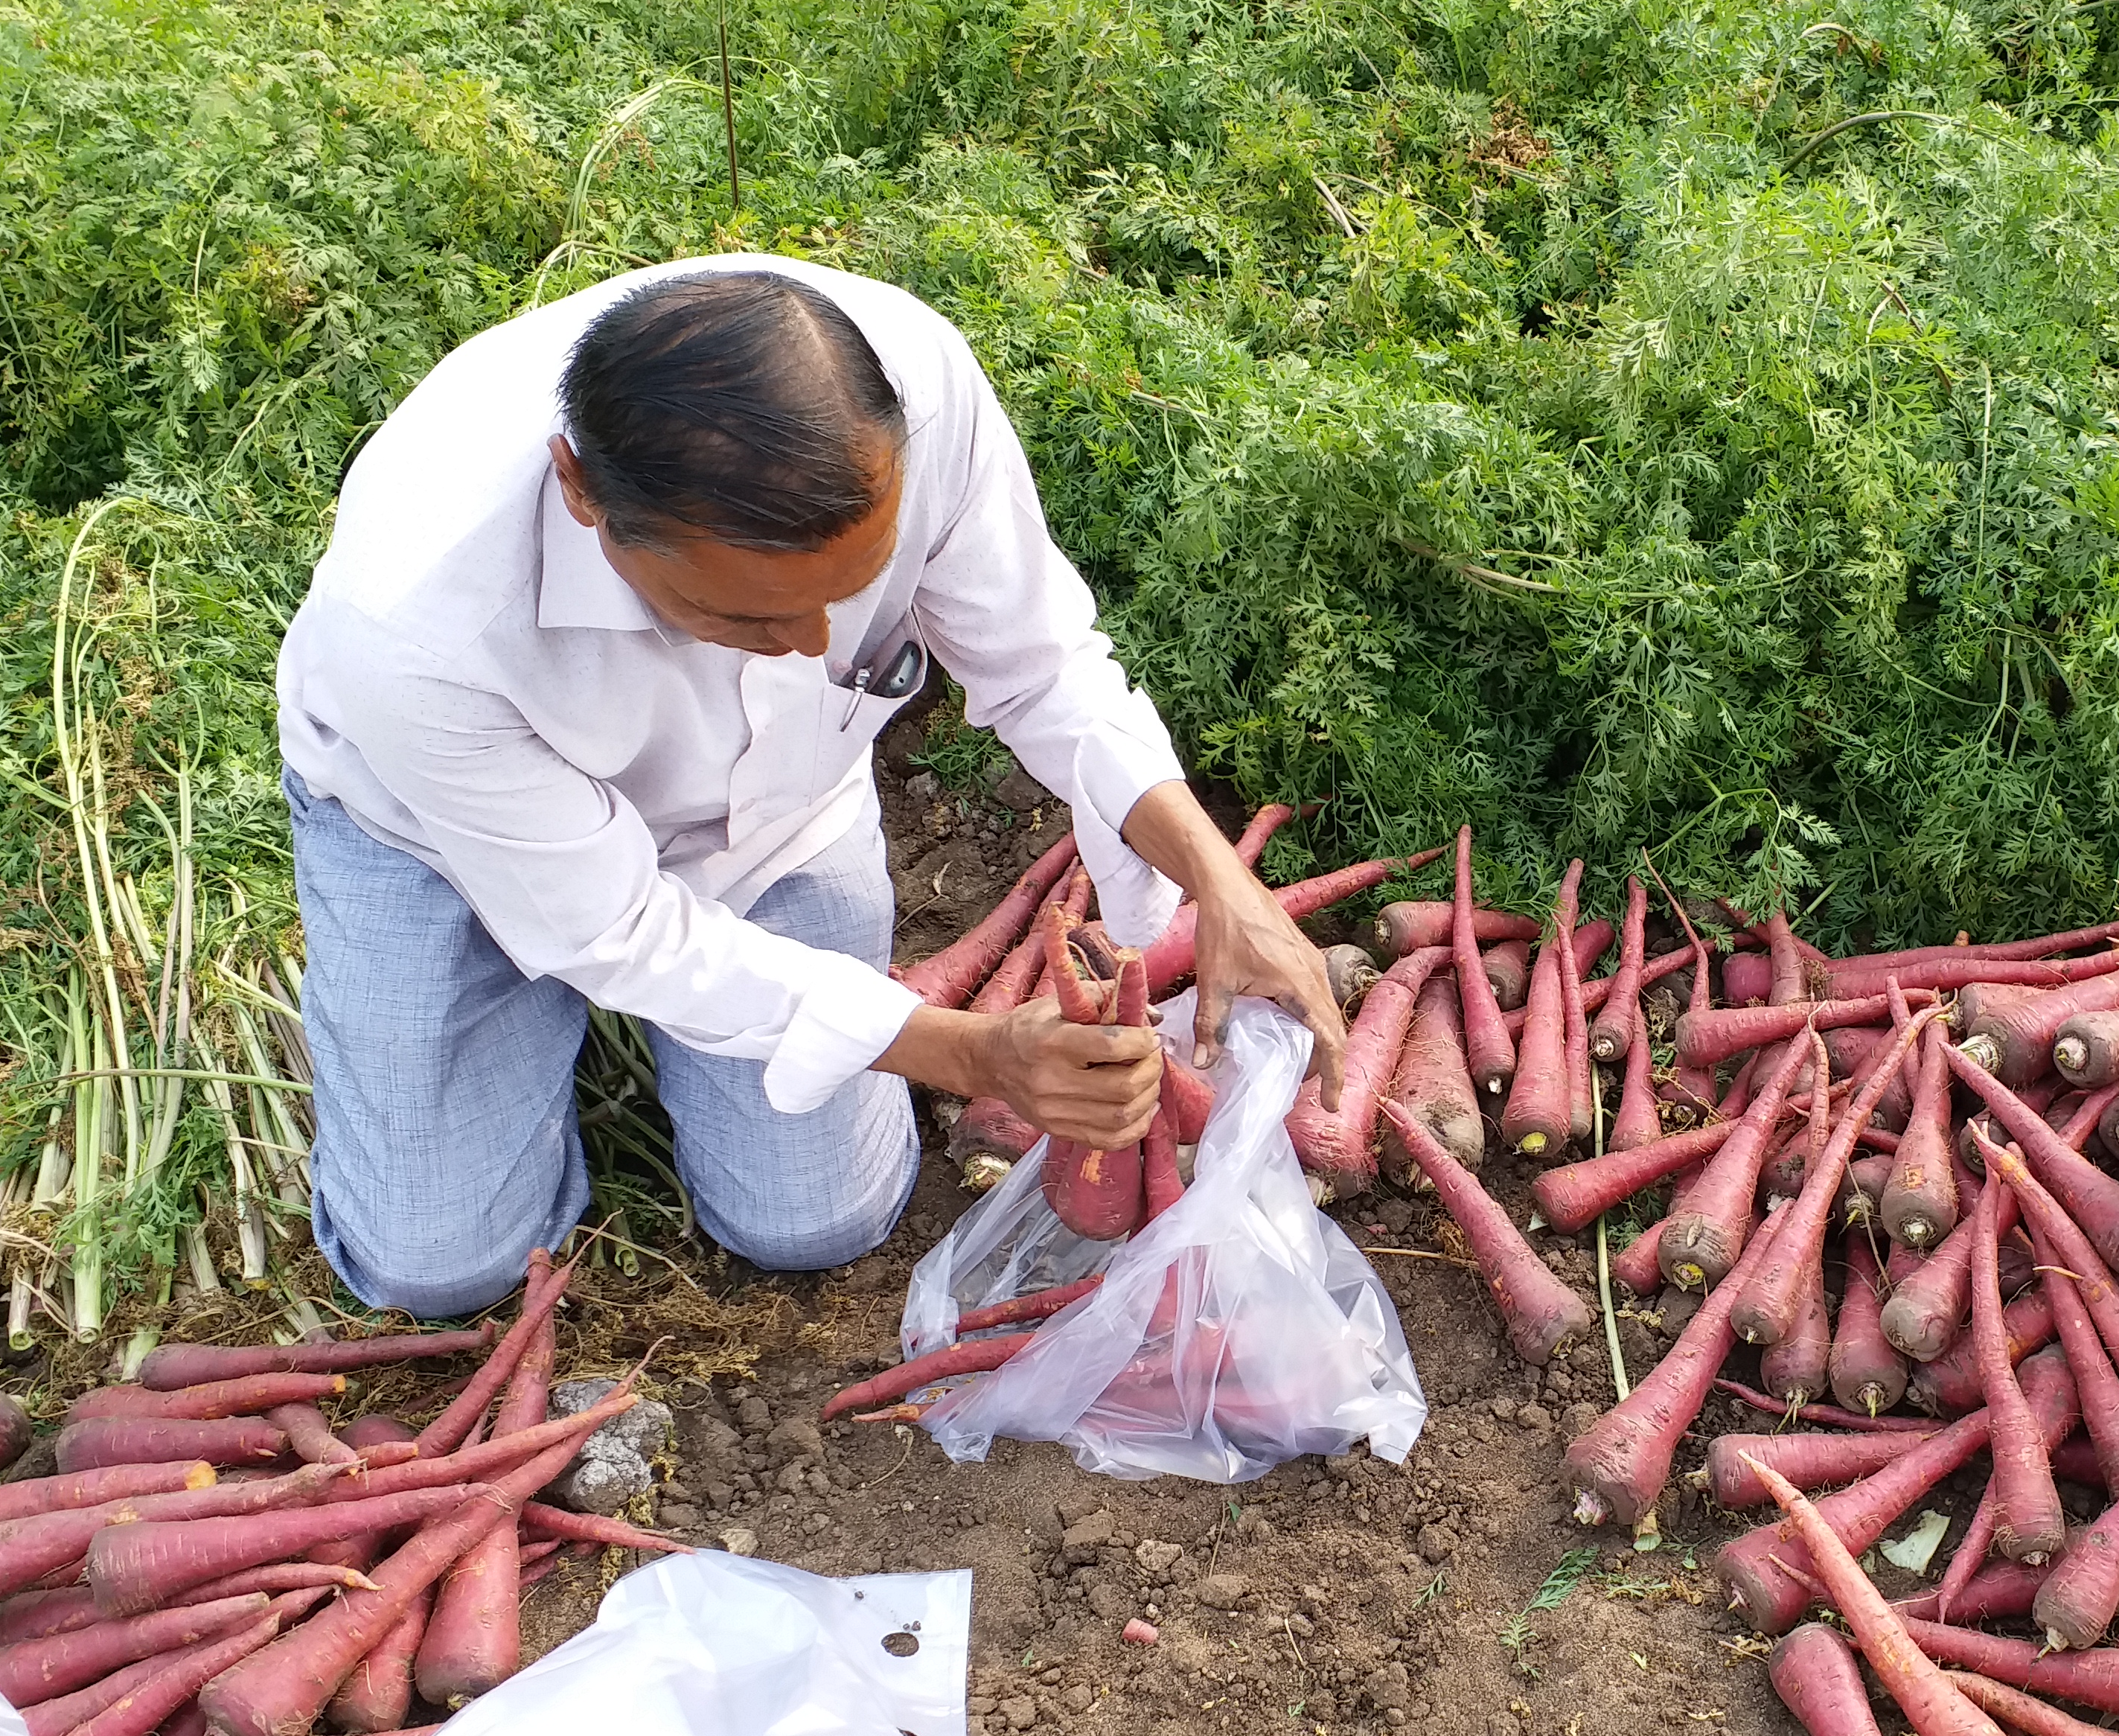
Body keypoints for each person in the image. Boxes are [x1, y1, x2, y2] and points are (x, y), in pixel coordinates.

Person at [274, 257, 1346, 1316]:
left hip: (772, 816)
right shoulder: (417, 625)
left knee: (814, 1225)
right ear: (581, 492)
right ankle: (502, 1018)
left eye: (851, 592)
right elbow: (620, 931)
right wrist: (971, 1054)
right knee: (439, 1269)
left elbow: (1045, 667)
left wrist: (1218, 880)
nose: (811, 646)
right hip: (436, 839)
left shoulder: (911, 392)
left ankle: (606, 1038)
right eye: (744, 619)